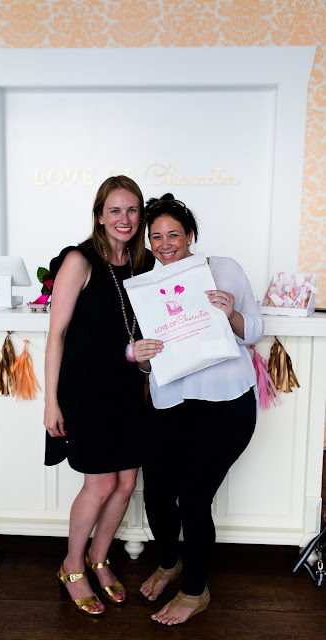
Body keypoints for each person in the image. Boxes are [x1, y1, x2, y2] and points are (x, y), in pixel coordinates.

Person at [134, 193, 264, 627]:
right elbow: (145, 358)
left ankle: (195, 591)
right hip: (170, 402)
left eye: (173, 234)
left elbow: (256, 330)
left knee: (193, 498)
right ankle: (170, 563)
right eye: (156, 237)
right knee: (156, 494)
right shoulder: (144, 286)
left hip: (226, 404)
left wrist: (231, 315)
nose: (165, 244)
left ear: (190, 235)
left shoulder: (225, 269)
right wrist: (142, 357)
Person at [44, 175, 155, 616]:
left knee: (126, 483)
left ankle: (98, 558)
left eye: (132, 210)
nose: (124, 219)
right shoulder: (80, 260)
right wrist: (50, 401)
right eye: (115, 210)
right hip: (85, 389)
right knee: (102, 482)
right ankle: (72, 566)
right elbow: (57, 335)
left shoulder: (142, 264)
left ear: (140, 217)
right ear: (99, 215)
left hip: (127, 389)